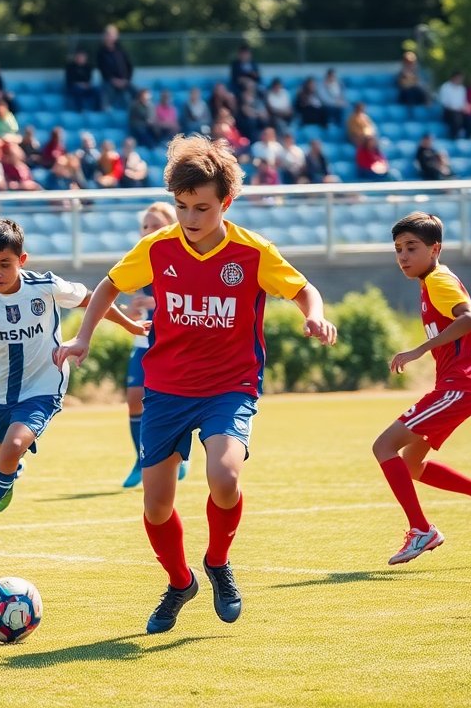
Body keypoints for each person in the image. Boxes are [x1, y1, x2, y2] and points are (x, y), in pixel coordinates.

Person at [54, 134, 338, 634]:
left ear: (225, 202)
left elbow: (302, 288)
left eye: (201, 207)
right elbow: (109, 285)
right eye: (181, 206)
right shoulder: (158, 247)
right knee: (156, 504)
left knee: (224, 480)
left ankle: (218, 562)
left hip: (230, 386)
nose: (189, 217)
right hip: (165, 388)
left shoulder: (252, 252)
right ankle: (180, 581)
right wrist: (82, 338)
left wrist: (314, 316)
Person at [0, 218, 144, 570]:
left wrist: (130, 324)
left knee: (12, 449)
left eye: (4, 264)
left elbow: (92, 298)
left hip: (43, 387)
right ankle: (4, 477)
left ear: (22, 260)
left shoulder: (45, 286)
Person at [376, 211, 471, 564]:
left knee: (383, 447)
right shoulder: (432, 281)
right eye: (398, 249)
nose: (403, 256)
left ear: (435, 249)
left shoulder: (438, 280)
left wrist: (420, 349)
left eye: (411, 248)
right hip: (462, 388)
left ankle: (421, 530)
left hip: (459, 388)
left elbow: (469, 319)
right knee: (412, 464)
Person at [118, 202, 192, 488]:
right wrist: (134, 311)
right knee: (135, 397)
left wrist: (156, 302)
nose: (149, 231)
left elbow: (189, 299)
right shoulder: (141, 259)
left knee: (177, 403)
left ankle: (178, 456)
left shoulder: (184, 258)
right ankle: (140, 459)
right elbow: (132, 306)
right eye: (145, 227)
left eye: (156, 226)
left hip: (175, 343)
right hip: (144, 341)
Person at [96, 25, 135, 110]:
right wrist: (113, 80)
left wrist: (126, 79)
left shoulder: (121, 50)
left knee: (137, 91)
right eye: (108, 35)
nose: (110, 37)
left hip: (124, 80)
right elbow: (102, 69)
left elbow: (129, 66)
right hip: (109, 81)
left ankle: (136, 109)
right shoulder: (101, 52)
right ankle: (105, 109)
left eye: (112, 35)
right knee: (105, 92)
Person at [438, 72, 471, 140]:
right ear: (453, 78)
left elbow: (463, 102)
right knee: (456, 119)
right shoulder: (445, 87)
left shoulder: (462, 89)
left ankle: (469, 139)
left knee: (469, 120)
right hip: (449, 111)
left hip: (460, 111)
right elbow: (445, 103)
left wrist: (465, 108)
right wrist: (457, 108)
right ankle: (454, 138)